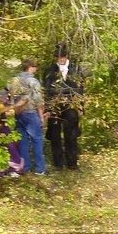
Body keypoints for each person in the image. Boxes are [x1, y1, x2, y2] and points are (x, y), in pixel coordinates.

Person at [41, 42, 83, 170]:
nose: (61, 59)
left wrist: (80, 106)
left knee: (71, 134)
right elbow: (47, 90)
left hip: (71, 105)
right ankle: (58, 163)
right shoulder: (49, 71)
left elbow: (81, 89)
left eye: (63, 56)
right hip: (55, 106)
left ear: (67, 56)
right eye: (59, 57)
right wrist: (47, 108)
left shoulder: (75, 70)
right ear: (56, 58)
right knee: (55, 134)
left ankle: (72, 162)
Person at [6, 59, 47, 176]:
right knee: (37, 140)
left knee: (22, 141)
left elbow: (9, 96)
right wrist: (41, 117)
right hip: (31, 113)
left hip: (18, 113)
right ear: (30, 67)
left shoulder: (13, 80)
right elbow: (39, 101)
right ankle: (40, 168)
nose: (36, 69)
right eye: (35, 66)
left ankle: (24, 167)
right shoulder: (33, 81)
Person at [0, 88, 24, 177]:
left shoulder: (2, 90)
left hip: (1, 124)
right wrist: (12, 106)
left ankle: (11, 168)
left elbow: (5, 104)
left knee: (9, 145)